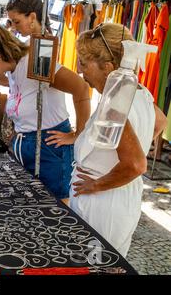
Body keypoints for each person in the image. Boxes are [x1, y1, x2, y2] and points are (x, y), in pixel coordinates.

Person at [70, 23, 167, 257]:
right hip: (119, 196)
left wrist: (97, 184)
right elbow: (160, 121)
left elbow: (135, 165)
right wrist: (139, 145)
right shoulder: (140, 91)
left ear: (108, 67)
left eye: (84, 64)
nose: (81, 71)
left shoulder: (116, 103)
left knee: (97, 264)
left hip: (104, 203)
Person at [0, 24, 90, 200]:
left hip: (50, 147)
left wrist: (78, 134)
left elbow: (81, 88)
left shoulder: (36, 61)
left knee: (56, 206)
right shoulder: (13, 68)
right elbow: (26, 90)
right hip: (27, 146)